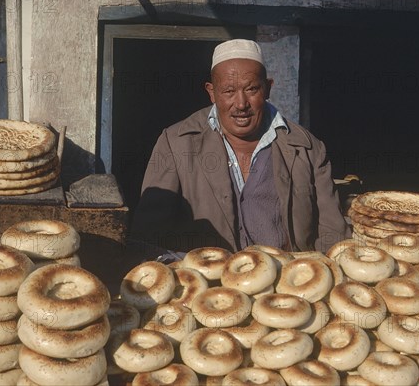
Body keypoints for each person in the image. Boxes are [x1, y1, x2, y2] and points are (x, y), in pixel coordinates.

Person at [130, 39, 350, 255]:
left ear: (268, 88)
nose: (241, 104)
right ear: (212, 92)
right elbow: (149, 235)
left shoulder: (307, 149)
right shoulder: (176, 143)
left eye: (252, 89)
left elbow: (334, 235)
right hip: (205, 286)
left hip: (286, 286)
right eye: (228, 91)